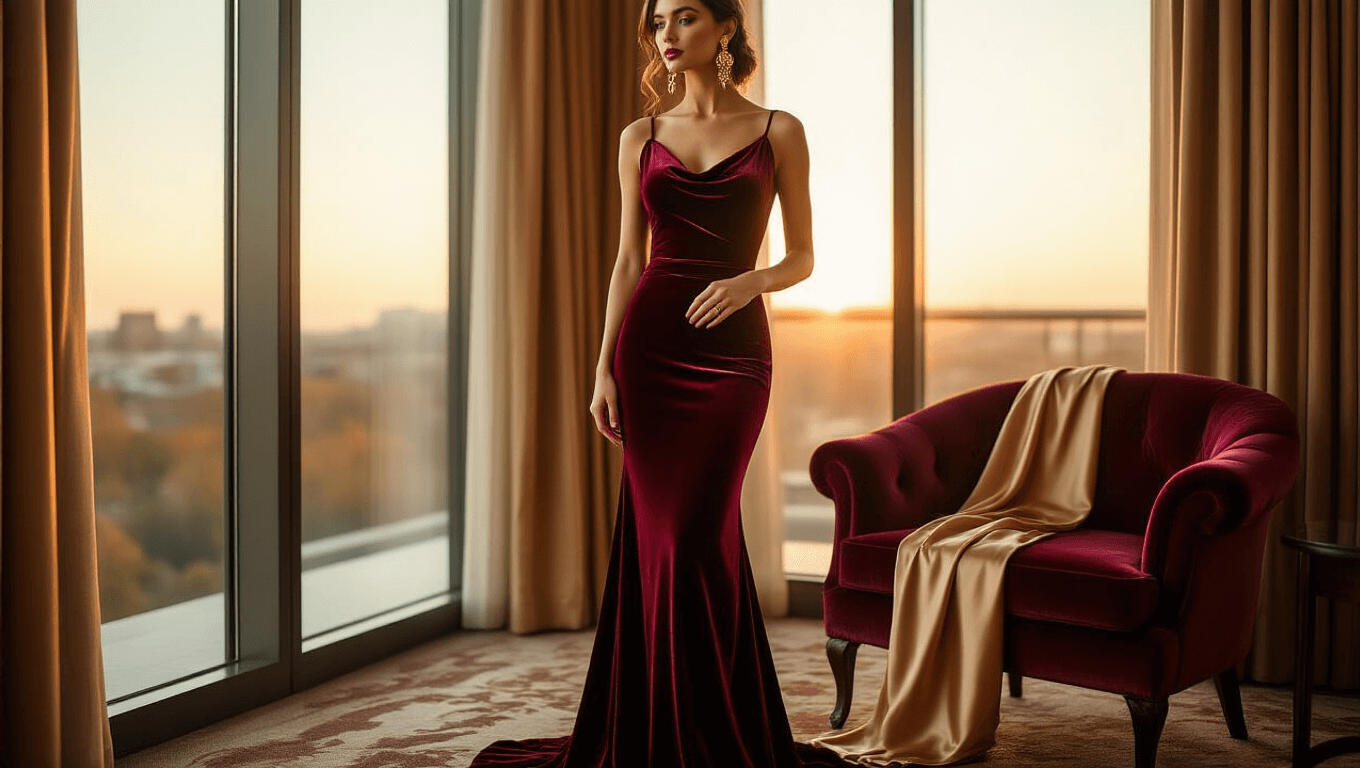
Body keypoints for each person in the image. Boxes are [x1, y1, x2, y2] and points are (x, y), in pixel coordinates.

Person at [470, 1, 849, 765]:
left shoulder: (780, 130)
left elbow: (804, 257)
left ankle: (709, 730)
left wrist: (752, 282)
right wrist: (602, 367)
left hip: (736, 358)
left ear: (726, 28)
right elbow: (625, 263)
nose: (666, 35)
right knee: (666, 542)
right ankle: (666, 731)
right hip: (650, 354)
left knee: (694, 538)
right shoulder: (638, 139)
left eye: (683, 17)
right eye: (657, 23)